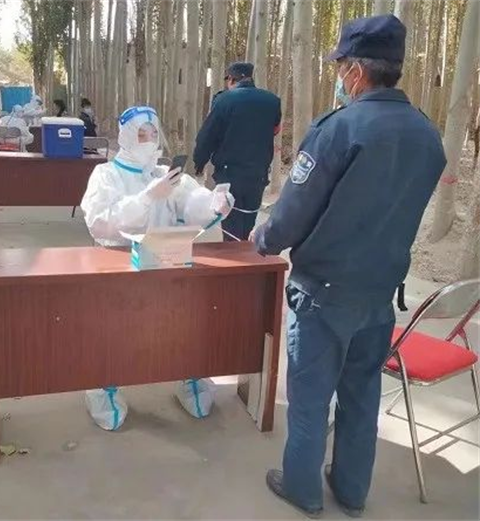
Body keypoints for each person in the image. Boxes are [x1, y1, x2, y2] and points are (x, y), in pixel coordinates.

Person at [253, 15, 446, 518]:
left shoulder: (339, 129)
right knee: (361, 396)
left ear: (356, 71)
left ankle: (302, 489)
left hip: (324, 291)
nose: (339, 76)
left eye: (340, 66)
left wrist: (263, 239)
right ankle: (352, 490)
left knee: (310, 397)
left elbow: (293, 212)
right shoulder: (427, 135)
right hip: (379, 293)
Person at [80, 106, 235, 431]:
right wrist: (147, 198)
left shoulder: (166, 174)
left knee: (181, 326)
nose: (149, 140)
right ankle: (105, 390)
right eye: (141, 134)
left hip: (168, 264)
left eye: (153, 133)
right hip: (119, 267)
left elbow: (191, 202)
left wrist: (213, 204)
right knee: (115, 333)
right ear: (126, 136)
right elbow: (101, 222)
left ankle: (191, 380)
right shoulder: (106, 175)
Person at [193, 62, 281, 241]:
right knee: (248, 224)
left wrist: (199, 161)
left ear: (232, 79)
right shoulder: (272, 101)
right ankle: (245, 254)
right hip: (258, 175)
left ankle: (235, 257)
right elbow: (275, 129)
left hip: (230, 175)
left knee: (230, 229)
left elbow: (207, 135)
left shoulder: (224, 100)